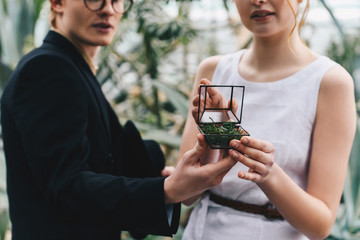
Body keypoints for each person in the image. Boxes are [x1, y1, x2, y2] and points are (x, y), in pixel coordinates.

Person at [0, 0, 238, 239]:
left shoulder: (73, 70)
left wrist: (214, 139)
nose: (108, 9)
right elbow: (68, 187)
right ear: (57, 3)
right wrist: (167, 188)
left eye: (117, 1)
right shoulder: (48, 69)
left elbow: (101, 167)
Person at [178, 0, 357, 239]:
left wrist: (269, 175)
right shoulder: (213, 71)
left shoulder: (329, 82)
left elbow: (320, 225)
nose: (257, 0)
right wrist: (214, 136)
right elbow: (186, 195)